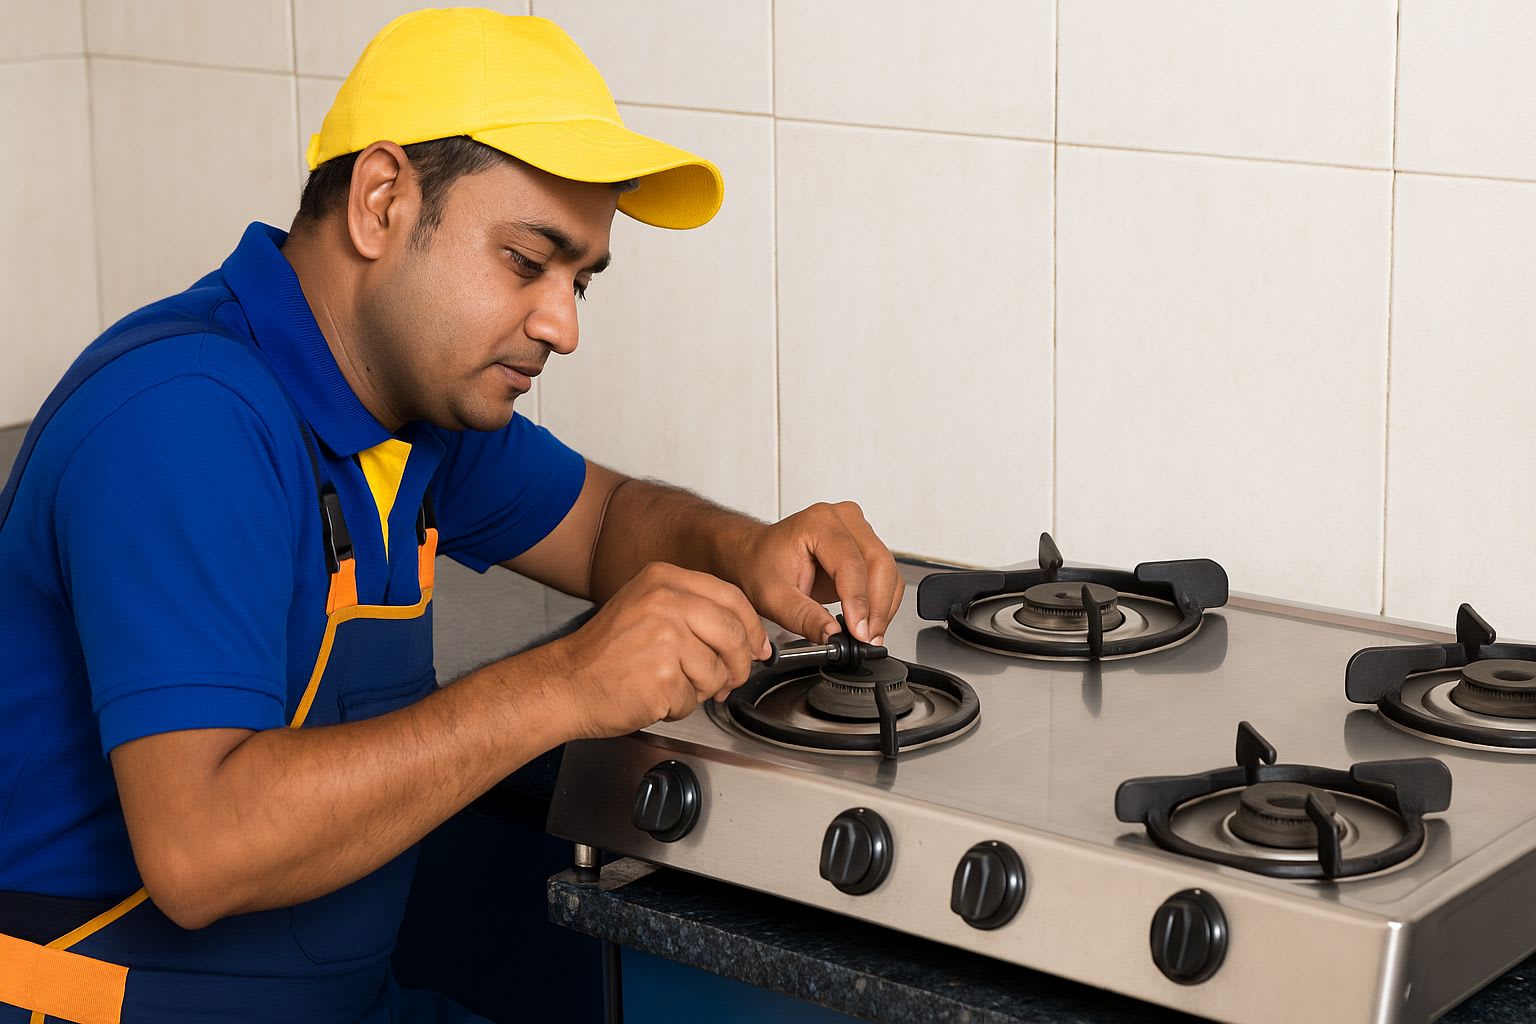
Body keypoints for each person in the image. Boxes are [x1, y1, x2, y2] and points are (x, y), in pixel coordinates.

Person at [0, 10, 903, 1023]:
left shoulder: (411, 402)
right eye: (526, 261)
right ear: (381, 200)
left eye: (579, 282)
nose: (563, 325)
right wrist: (566, 682)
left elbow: (605, 520)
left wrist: (751, 549)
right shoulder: (183, 418)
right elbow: (200, 850)